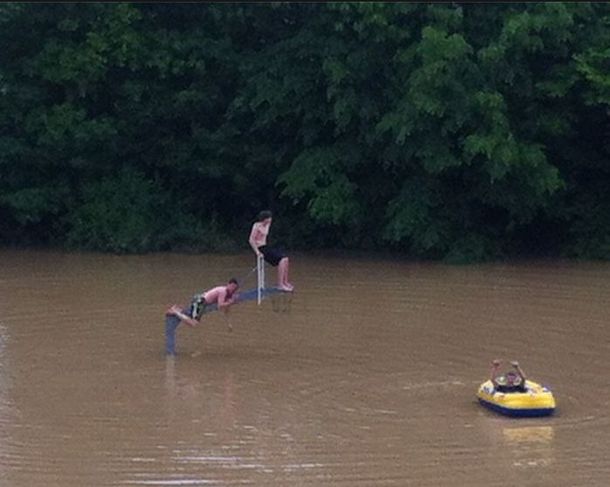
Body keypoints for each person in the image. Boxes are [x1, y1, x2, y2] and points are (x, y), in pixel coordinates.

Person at [164, 278, 239, 356]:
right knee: (193, 323)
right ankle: (176, 312)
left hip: (202, 301)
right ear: (228, 285)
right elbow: (220, 306)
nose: (232, 289)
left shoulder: (229, 294)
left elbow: (226, 309)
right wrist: (230, 302)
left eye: (234, 288)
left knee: (191, 318)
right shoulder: (223, 291)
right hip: (200, 301)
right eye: (232, 287)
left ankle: (178, 310)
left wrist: (229, 323)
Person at [248, 210, 293, 291]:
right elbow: (251, 240)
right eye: (268, 218)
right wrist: (257, 252)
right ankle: (280, 284)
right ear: (264, 219)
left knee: (286, 259)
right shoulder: (257, 226)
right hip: (260, 248)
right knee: (282, 260)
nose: (270, 220)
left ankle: (285, 282)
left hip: (266, 246)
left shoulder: (268, 224)